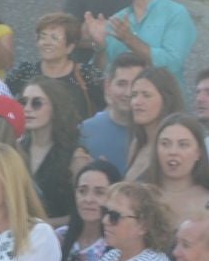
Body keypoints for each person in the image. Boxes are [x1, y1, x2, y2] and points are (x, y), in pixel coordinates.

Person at [98, 0, 195, 77]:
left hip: (163, 95)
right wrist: (100, 47)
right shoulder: (117, 19)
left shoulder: (176, 13)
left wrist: (129, 39)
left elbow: (172, 64)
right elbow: (98, 76)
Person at [16, 78, 82, 224]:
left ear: (55, 107)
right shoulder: (17, 149)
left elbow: (83, 214)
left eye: (36, 103)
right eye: (23, 102)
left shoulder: (75, 156)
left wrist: (43, 225)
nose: (27, 108)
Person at [9, 13, 102, 115]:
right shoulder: (25, 72)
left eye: (54, 38)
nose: (46, 42)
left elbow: (108, 104)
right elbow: (1, 98)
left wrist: (102, 45)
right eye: (43, 37)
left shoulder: (85, 74)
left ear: (70, 47)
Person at [80, 54, 143, 173]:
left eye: (135, 85)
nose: (128, 93)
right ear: (107, 86)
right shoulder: (85, 131)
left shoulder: (156, 134)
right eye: (121, 84)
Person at [123, 67, 186, 180]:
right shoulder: (136, 144)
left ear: (166, 100)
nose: (137, 102)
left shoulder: (174, 150)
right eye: (134, 95)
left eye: (146, 95)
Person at [151, 113, 209, 223]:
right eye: (165, 144)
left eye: (183, 145)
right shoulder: (141, 196)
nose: (173, 152)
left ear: (198, 152)